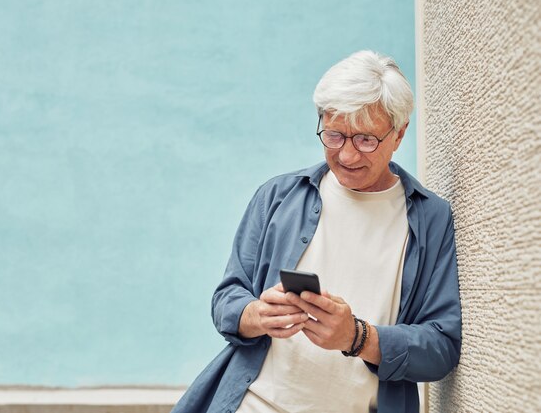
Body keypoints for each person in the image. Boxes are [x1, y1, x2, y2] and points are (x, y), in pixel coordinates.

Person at [172, 50, 462, 413]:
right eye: (335, 135)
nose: (347, 156)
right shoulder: (277, 196)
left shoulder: (430, 218)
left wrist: (358, 337)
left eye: (366, 140)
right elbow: (227, 299)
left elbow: (441, 347)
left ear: (399, 133)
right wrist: (257, 315)